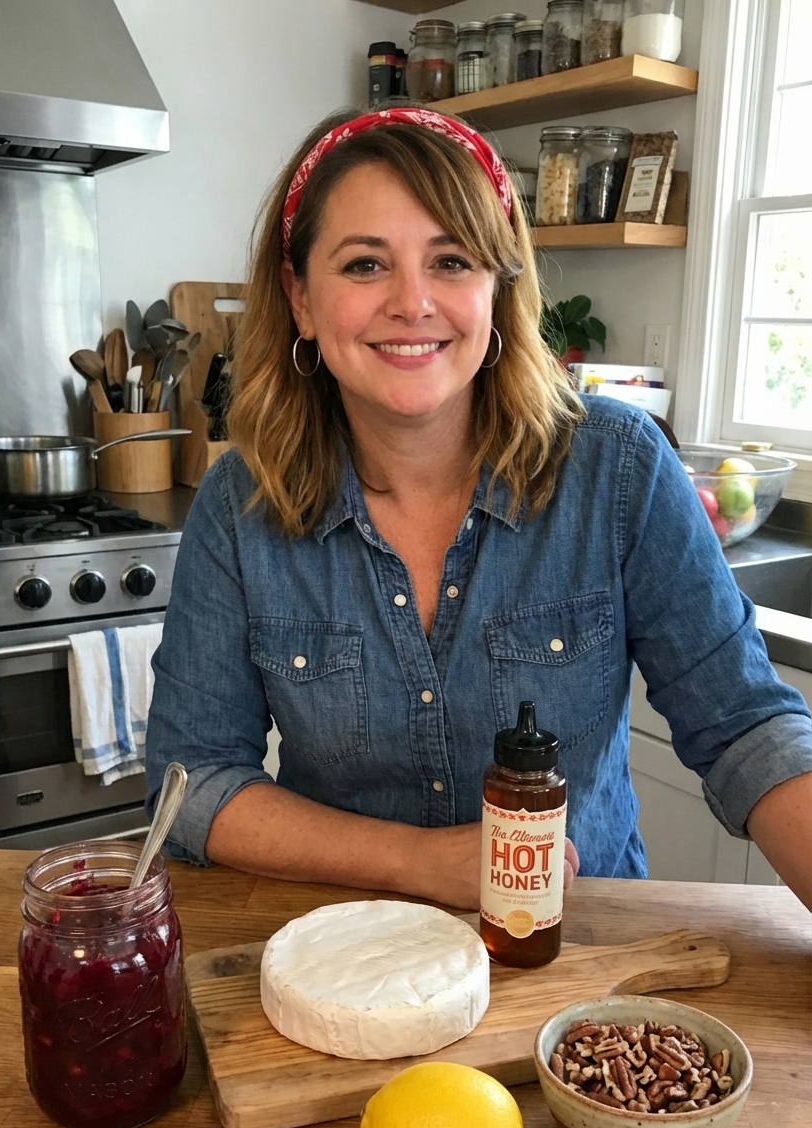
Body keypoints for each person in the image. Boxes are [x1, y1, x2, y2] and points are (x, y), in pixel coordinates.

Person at [145, 107, 812, 912]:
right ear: (300, 299)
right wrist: (418, 862)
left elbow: (746, 727)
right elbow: (195, 783)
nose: (413, 302)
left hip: (578, 964)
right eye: (364, 265)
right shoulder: (239, 504)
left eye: (452, 260)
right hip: (347, 957)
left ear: (499, 286)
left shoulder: (619, 468)